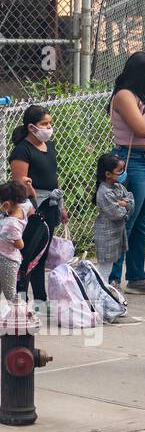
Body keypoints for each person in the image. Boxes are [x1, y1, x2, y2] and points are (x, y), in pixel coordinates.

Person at [108, 53, 145, 298]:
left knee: (141, 222)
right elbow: (141, 129)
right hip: (134, 163)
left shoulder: (142, 97)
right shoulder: (124, 96)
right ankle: (112, 279)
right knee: (127, 222)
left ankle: (137, 276)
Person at [8, 104, 64, 303]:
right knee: (27, 255)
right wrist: (29, 207)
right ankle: (19, 299)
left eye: (50, 123)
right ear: (32, 127)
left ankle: (40, 300)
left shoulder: (50, 146)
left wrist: (62, 207)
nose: (49, 127)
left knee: (42, 255)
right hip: (33, 209)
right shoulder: (22, 151)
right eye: (44, 124)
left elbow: (54, 177)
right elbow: (19, 185)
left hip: (50, 206)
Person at [92, 153, 133, 285]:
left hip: (116, 232)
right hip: (106, 234)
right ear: (108, 174)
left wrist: (125, 204)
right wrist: (126, 205)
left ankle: (101, 292)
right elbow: (117, 213)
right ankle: (99, 294)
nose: (123, 173)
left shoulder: (117, 186)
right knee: (104, 269)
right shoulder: (104, 192)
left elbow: (131, 200)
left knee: (109, 266)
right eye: (119, 171)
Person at [0, 181, 27, 305]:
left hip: (7, 260)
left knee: (10, 293)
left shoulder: (10, 223)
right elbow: (30, 202)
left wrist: (8, 237)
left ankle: (21, 314)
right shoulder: (22, 208)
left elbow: (20, 245)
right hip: (5, 258)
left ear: (6, 204)